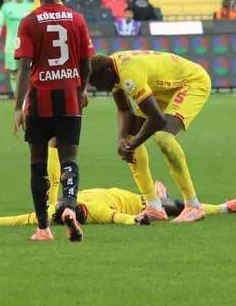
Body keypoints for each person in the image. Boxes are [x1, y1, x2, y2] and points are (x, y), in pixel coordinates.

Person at [12, 0, 94, 241]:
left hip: (40, 100)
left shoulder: (29, 21)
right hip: (70, 97)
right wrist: (81, 89)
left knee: (38, 161)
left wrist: (17, 106)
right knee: (69, 157)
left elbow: (25, 66)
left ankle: (43, 228)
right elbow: (86, 62)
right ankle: (69, 206)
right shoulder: (77, 19)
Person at [87, 49, 213, 222]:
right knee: (130, 139)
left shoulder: (129, 74)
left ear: (106, 73)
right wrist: (122, 140)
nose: (96, 87)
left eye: (96, 82)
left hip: (191, 83)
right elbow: (124, 110)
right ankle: (153, 205)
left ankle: (193, 205)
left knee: (163, 137)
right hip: (163, 88)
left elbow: (157, 120)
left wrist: (132, 145)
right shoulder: (112, 68)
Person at [0, 182, 236, 228]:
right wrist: (137, 219)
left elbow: (15, 219)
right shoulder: (88, 212)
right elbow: (116, 217)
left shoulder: (58, 205)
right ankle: (226, 207)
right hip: (134, 201)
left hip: (133, 194)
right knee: (173, 205)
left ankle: (158, 192)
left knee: (166, 199)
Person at [0, 0, 35, 93]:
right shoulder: (6, 7)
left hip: (28, 47)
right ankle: (18, 101)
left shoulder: (32, 7)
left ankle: (27, 100)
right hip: (11, 46)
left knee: (28, 72)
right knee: (14, 74)